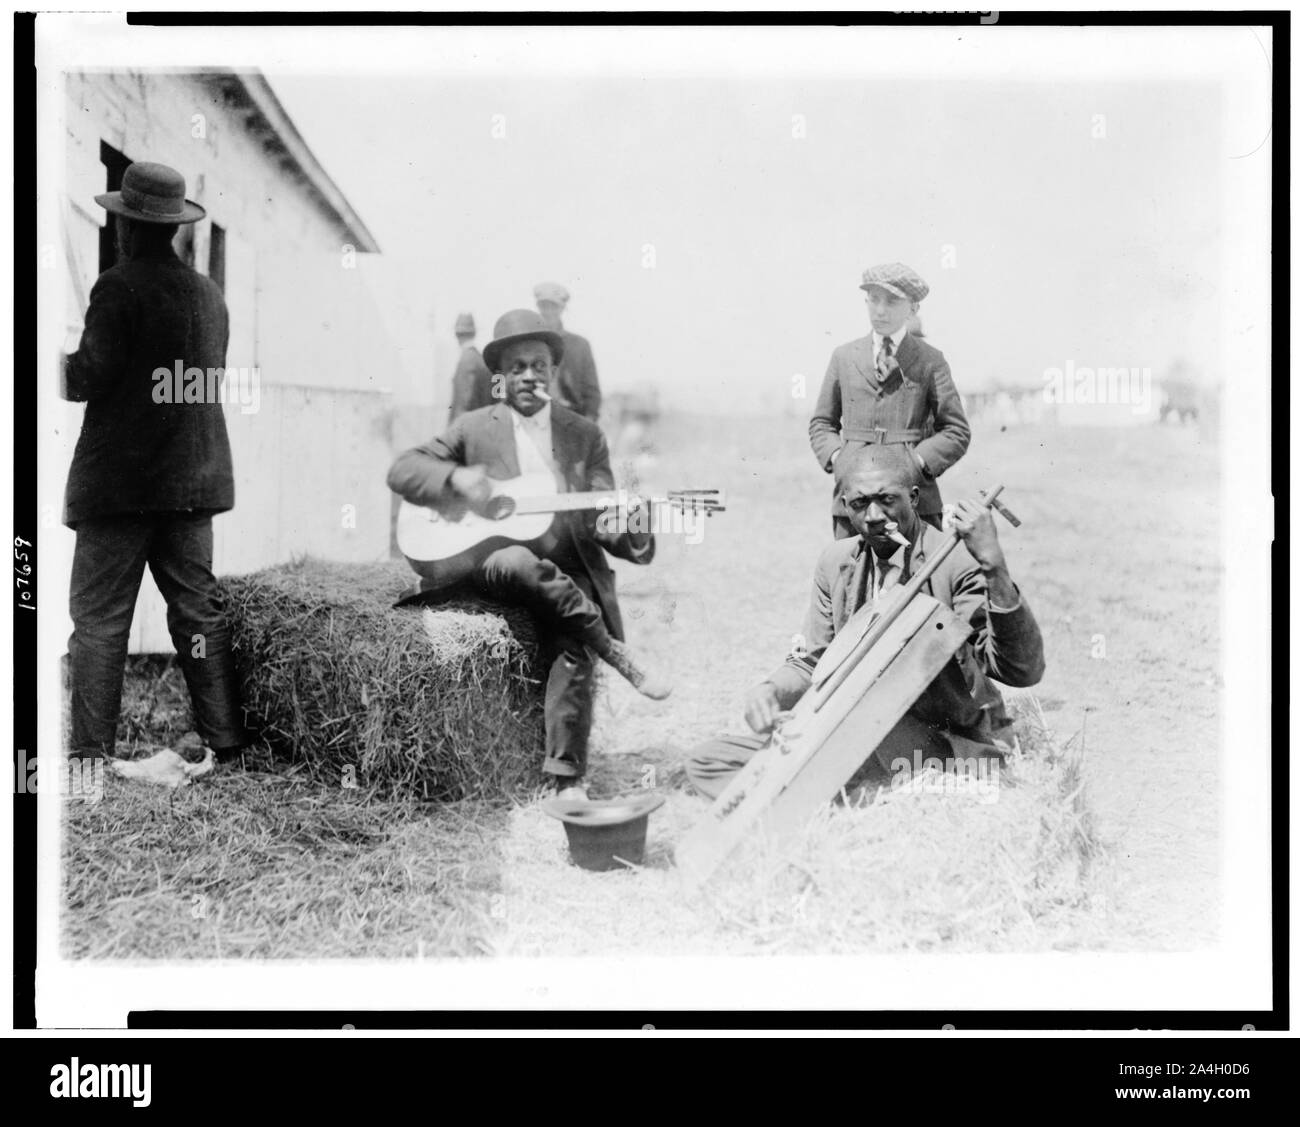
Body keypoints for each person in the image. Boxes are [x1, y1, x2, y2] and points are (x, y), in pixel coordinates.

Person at [387, 309, 668, 799]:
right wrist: (455, 478)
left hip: (565, 568)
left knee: (572, 634)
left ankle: (566, 780)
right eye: (516, 367)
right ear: (499, 376)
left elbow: (602, 518)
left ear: (554, 372)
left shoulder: (584, 435)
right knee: (518, 561)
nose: (528, 376)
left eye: (538, 364)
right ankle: (617, 652)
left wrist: (628, 522)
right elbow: (403, 470)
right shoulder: (474, 428)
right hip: (488, 562)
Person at [685, 445, 1044, 800]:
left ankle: (848, 795)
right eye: (859, 504)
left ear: (914, 497)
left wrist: (994, 565)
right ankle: (852, 797)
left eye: (886, 499)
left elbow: (1020, 671)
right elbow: (814, 660)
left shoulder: (954, 561)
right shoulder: (835, 563)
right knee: (708, 762)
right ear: (844, 506)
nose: (873, 515)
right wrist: (770, 691)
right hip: (850, 734)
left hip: (941, 743)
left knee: (848, 733)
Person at [60, 161, 247, 765]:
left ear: (124, 224)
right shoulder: (210, 296)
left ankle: (90, 756)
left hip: (122, 489)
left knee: (100, 619)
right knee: (197, 611)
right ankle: (227, 743)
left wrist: (50, 360)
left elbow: (89, 377)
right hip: (193, 484)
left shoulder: (117, 286)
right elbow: (185, 385)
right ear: (173, 226)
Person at [809, 263, 971, 537]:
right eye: (874, 300)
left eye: (892, 301)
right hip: (855, 498)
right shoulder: (844, 357)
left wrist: (916, 462)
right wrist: (841, 459)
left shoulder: (930, 360)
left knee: (918, 577)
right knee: (850, 576)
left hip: (912, 499)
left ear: (913, 308)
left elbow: (956, 430)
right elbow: (822, 423)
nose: (880, 310)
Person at [534, 281, 601, 422]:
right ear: (538, 308)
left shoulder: (579, 345)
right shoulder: (528, 343)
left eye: (554, 307)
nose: (548, 312)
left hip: (570, 419)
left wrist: (588, 426)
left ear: (562, 308)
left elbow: (592, 392)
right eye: (544, 306)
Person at [447, 311, 494, 420]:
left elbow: (464, 404)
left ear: (456, 335)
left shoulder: (466, 361)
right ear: (474, 333)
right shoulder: (481, 360)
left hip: (467, 430)